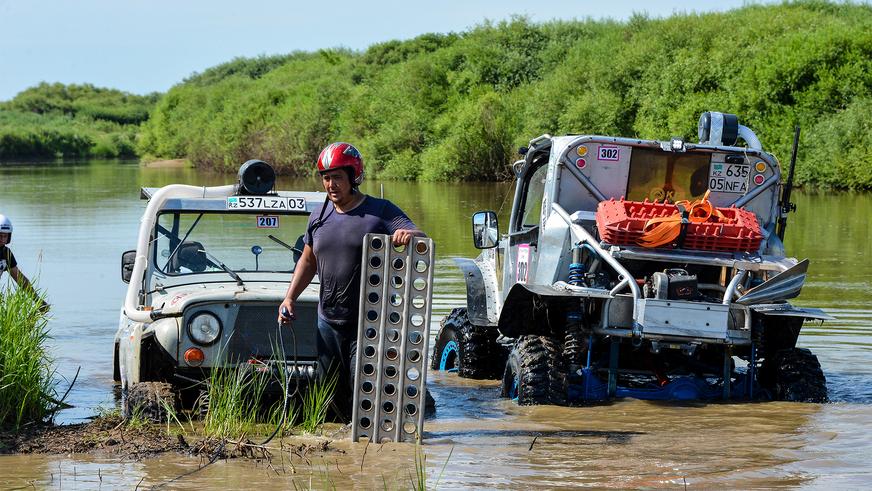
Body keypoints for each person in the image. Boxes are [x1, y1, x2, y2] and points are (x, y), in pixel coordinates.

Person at [277, 142, 425, 418]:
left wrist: (409, 236)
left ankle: (372, 454)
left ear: (353, 177)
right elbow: (308, 261)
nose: (331, 184)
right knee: (330, 399)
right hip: (328, 322)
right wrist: (290, 297)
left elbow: (419, 236)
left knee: (366, 396)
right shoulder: (319, 216)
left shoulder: (379, 211)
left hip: (369, 324)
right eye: (326, 177)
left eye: (337, 178)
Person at [0, 214, 45, 305]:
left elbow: (20, 279)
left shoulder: (6, 253)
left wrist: (37, 300)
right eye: (0, 236)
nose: (2, 240)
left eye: (5, 236)